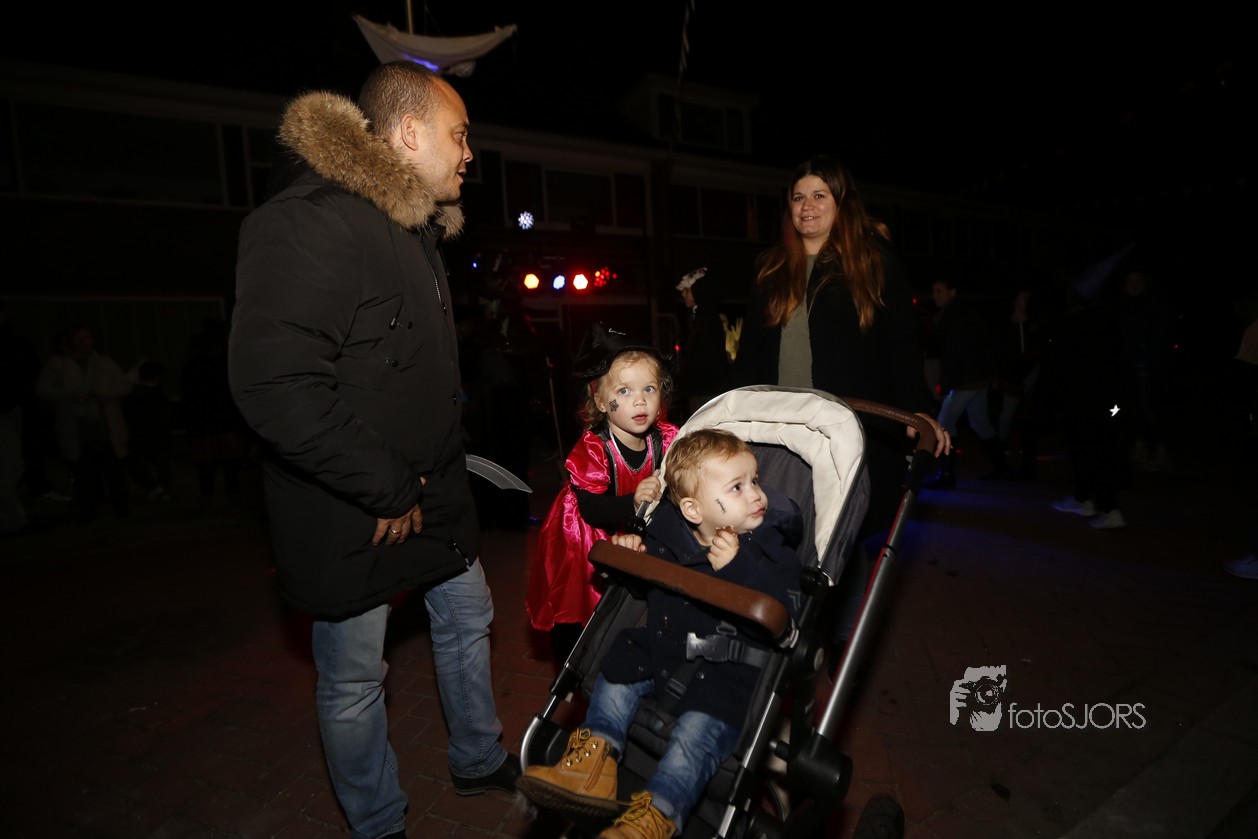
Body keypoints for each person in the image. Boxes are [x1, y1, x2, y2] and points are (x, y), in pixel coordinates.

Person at [227, 61, 517, 839]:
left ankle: (477, 755)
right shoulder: (311, 220)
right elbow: (274, 383)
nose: (469, 153)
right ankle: (379, 822)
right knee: (355, 676)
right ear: (410, 133)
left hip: (435, 493)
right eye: (460, 135)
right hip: (355, 504)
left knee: (468, 614)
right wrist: (387, 485)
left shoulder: (414, 228)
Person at [518, 428, 804, 839]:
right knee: (620, 661)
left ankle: (658, 815)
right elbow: (644, 591)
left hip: (723, 675)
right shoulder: (668, 536)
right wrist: (630, 560)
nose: (757, 494)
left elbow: (785, 616)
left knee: (695, 734)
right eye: (738, 487)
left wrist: (739, 569)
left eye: (755, 481)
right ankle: (595, 762)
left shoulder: (772, 552)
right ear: (692, 509)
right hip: (662, 652)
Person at [727, 154, 947, 544]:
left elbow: (900, 343)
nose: (807, 206)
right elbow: (752, 354)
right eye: (798, 198)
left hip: (850, 426)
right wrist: (726, 414)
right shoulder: (771, 268)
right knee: (782, 531)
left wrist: (917, 409)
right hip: (780, 430)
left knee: (843, 539)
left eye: (819, 195)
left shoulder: (872, 261)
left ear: (841, 203)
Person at [526, 323, 679, 663]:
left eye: (649, 388)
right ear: (599, 399)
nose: (639, 400)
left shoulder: (667, 438)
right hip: (583, 534)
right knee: (579, 602)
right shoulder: (594, 447)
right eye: (623, 391)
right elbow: (592, 509)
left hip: (631, 529)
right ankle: (573, 665)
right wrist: (633, 502)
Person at [35, 322, 132, 524]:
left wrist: (101, 393)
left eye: (87, 337)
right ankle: (89, 510)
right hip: (76, 427)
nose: (83, 342)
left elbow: (125, 386)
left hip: (105, 426)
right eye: (78, 338)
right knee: (83, 471)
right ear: (70, 341)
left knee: (113, 470)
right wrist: (70, 396)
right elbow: (43, 390)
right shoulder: (57, 364)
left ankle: (121, 507)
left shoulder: (105, 363)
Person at [923, 277, 1011, 487]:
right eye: (933, 291)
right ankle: (1002, 468)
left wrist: (944, 384)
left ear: (952, 292)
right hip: (976, 377)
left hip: (967, 378)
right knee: (980, 423)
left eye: (939, 290)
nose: (935, 295)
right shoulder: (958, 311)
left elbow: (954, 353)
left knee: (944, 422)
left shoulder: (954, 315)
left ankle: (946, 476)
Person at [674, 267, 731, 419]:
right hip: (701, 392)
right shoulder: (698, 318)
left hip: (706, 393)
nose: (683, 295)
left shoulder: (706, 319)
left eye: (686, 291)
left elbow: (706, 360)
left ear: (697, 292)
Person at [122, 359, 174, 503]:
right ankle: (161, 489)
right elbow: (165, 416)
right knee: (161, 465)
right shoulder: (157, 394)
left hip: (138, 435)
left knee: (137, 464)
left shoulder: (131, 394)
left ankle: (155, 488)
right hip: (157, 435)